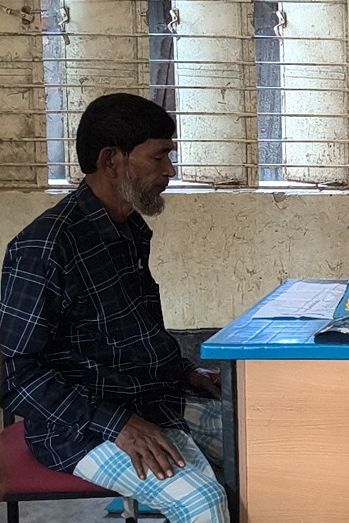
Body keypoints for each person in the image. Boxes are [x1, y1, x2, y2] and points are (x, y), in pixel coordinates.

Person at [0, 93, 227, 522]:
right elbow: (14, 372)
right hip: (77, 428)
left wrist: (186, 373)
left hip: (150, 400)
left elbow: (133, 334)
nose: (169, 171)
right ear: (111, 160)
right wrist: (116, 423)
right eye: (159, 157)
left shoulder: (129, 229)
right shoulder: (45, 247)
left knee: (262, 448)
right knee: (202, 502)